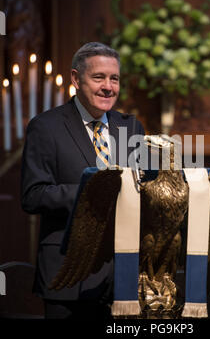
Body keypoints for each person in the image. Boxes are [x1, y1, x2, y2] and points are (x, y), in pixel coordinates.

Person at [21, 42, 145, 319]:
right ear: (76, 79)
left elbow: (141, 189)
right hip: (68, 274)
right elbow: (33, 195)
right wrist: (92, 192)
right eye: (98, 77)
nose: (108, 87)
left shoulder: (130, 127)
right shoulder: (45, 126)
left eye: (114, 79)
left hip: (122, 276)